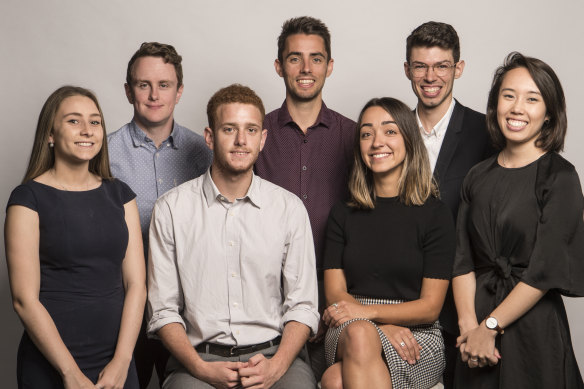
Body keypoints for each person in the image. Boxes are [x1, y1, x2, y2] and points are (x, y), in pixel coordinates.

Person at [147, 84, 319, 389]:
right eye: (229, 129)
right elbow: (163, 310)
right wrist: (200, 368)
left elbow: (303, 305)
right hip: (199, 360)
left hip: (274, 355)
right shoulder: (171, 209)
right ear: (210, 137)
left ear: (262, 138)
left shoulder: (289, 208)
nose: (241, 140)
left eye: (251, 130)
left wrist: (276, 367)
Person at [452, 52, 584, 388]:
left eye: (532, 99)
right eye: (508, 95)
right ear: (495, 103)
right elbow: (461, 261)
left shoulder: (561, 177)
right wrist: (470, 328)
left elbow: (545, 269)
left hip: (533, 328)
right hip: (476, 326)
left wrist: (490, 327)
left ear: (549, 114)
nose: (517, 108)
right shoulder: (476, 176)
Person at [5, 86, 146, 388]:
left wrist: (122, 362)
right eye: (73, 121)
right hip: (52, 364)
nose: (87, 130)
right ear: (50, 134)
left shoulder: (121, 195)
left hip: (116, 362)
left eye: (95, 122)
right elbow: (23, 300)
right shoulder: (27, 199)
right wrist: (70, 373)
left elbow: (136, 285)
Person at [320, 97, 455, 389]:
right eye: (367, 133)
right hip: (348, 321)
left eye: (389, 131)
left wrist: (372, 317)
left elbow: (430, 307)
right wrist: (378, 326)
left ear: (408, 139)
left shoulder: (435, 214)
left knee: (334, 380)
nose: (376, 141)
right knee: (359, 334)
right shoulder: (342, 213)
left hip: (416, 331)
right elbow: (334, 292)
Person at [254, 16, 355, 380]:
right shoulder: (255, 136)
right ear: (279, 65)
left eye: (316, 58)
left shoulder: (355, 137)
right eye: (295, 58)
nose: (306, 68)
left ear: (329, 65)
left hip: (339, 302)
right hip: (268, 305)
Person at [108, 42, 212, 388]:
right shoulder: (103, 154)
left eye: (164, 85)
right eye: (143, 85)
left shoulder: (205, 153)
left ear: (179, 91)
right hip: (122, 307)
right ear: (128, 91)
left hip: (189, 309)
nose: (154, 95)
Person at [404, 22, 494, 386]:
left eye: (441, 65)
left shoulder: (487, 133)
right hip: (406, 302)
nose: (430, 76)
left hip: (468, 307)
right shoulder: (391, 134)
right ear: (407, 69)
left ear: (458, 68)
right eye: (421, 66)